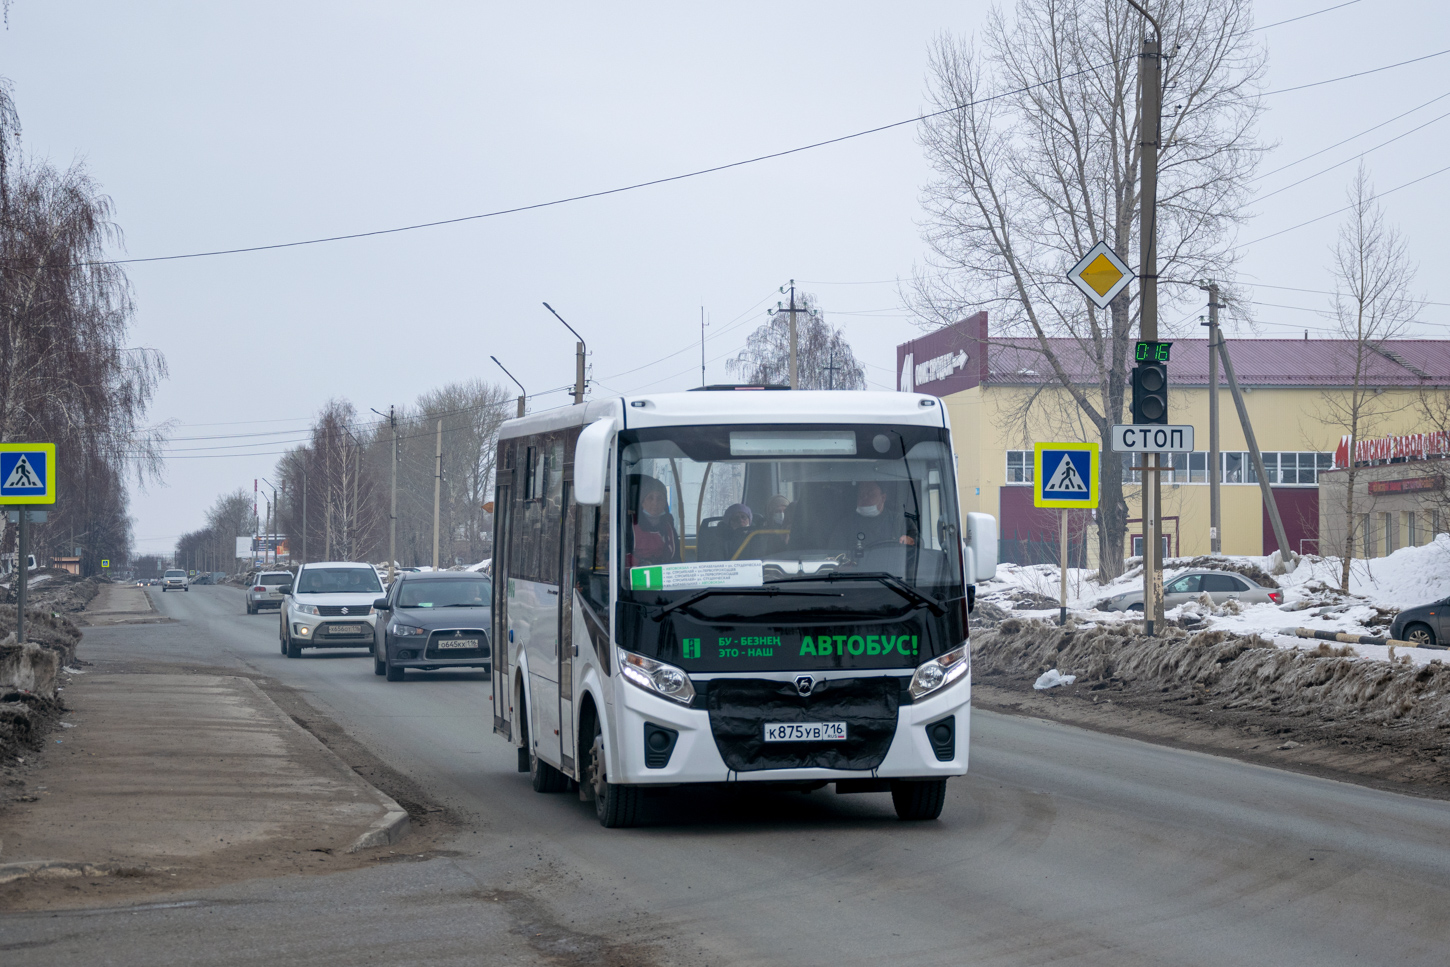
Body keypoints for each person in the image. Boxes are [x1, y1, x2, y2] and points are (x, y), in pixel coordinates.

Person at [838, 480, 916, 555]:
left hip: (892, 567)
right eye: (861, 495)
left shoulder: (901, 522)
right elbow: (835, 554)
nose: (865, 498)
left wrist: (910, 541)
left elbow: (918, 545)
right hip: (858, 568)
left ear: (883, 498)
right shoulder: (846, 525)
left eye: (871, 495)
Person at [627, 475, 679, 568]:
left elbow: (676, 560)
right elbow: (620, 560)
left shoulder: (669, 527)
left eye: (659, 498)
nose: (655, 503)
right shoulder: (629, 525)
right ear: (642, 502)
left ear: (664, 503)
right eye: (650, 498)